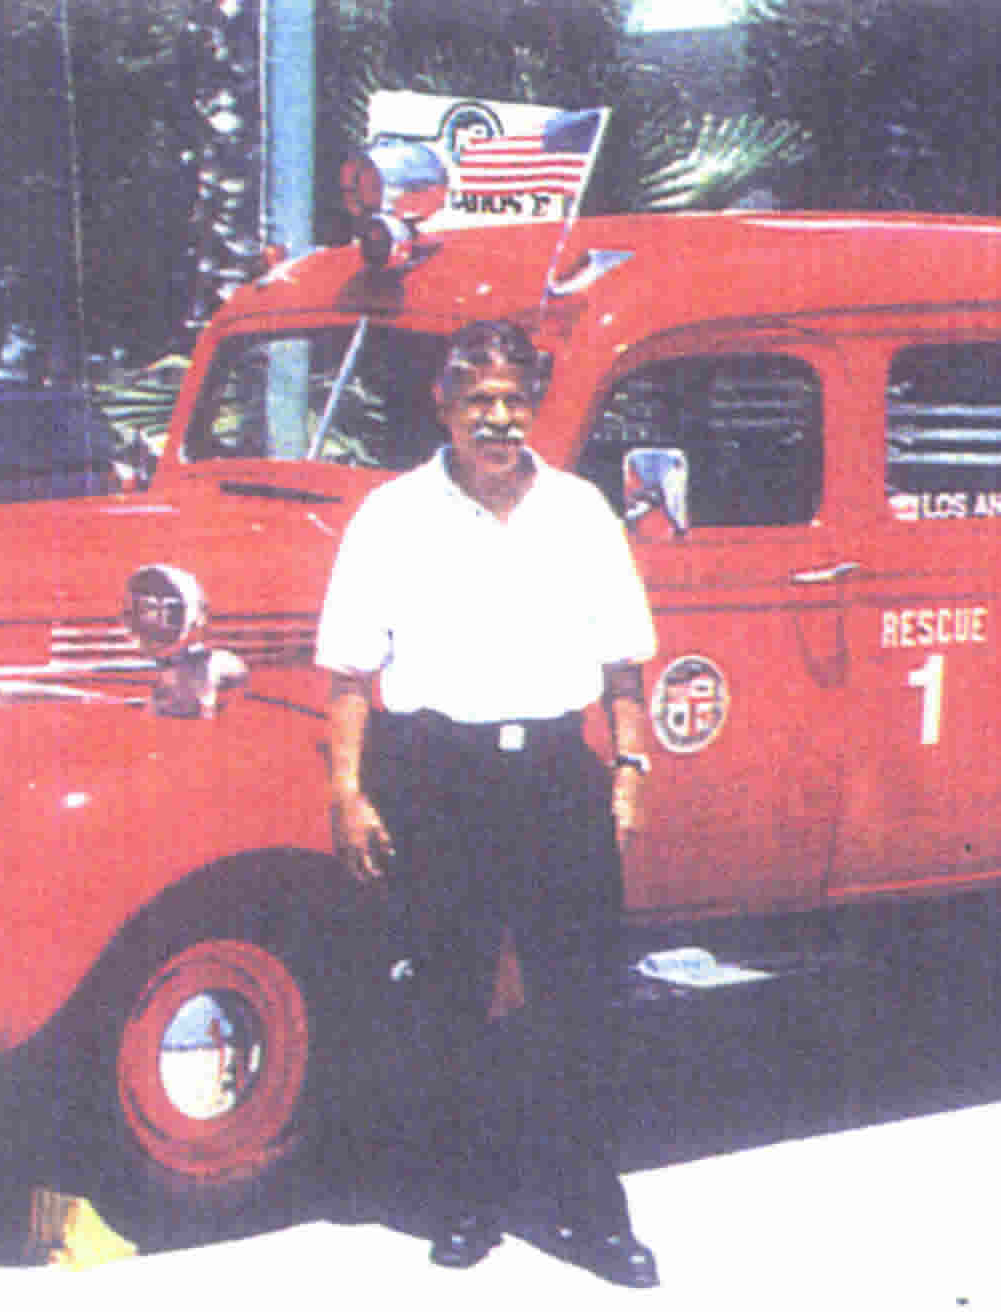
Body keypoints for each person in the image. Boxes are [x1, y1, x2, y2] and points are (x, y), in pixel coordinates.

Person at [315, 319, 660, 1288]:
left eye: (512, 400)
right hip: (436, 775)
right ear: (445, 408)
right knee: (448, 1000)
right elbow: (348, 673)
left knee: (582, 1001)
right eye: (479, 402)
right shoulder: (390, 516)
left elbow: (623, 663)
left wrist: (629, 769)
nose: (498, 419)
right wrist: (349, 792)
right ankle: (463, 1202)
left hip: (557, 773)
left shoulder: (582, 511)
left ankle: (593, 1213)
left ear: (532, 405)